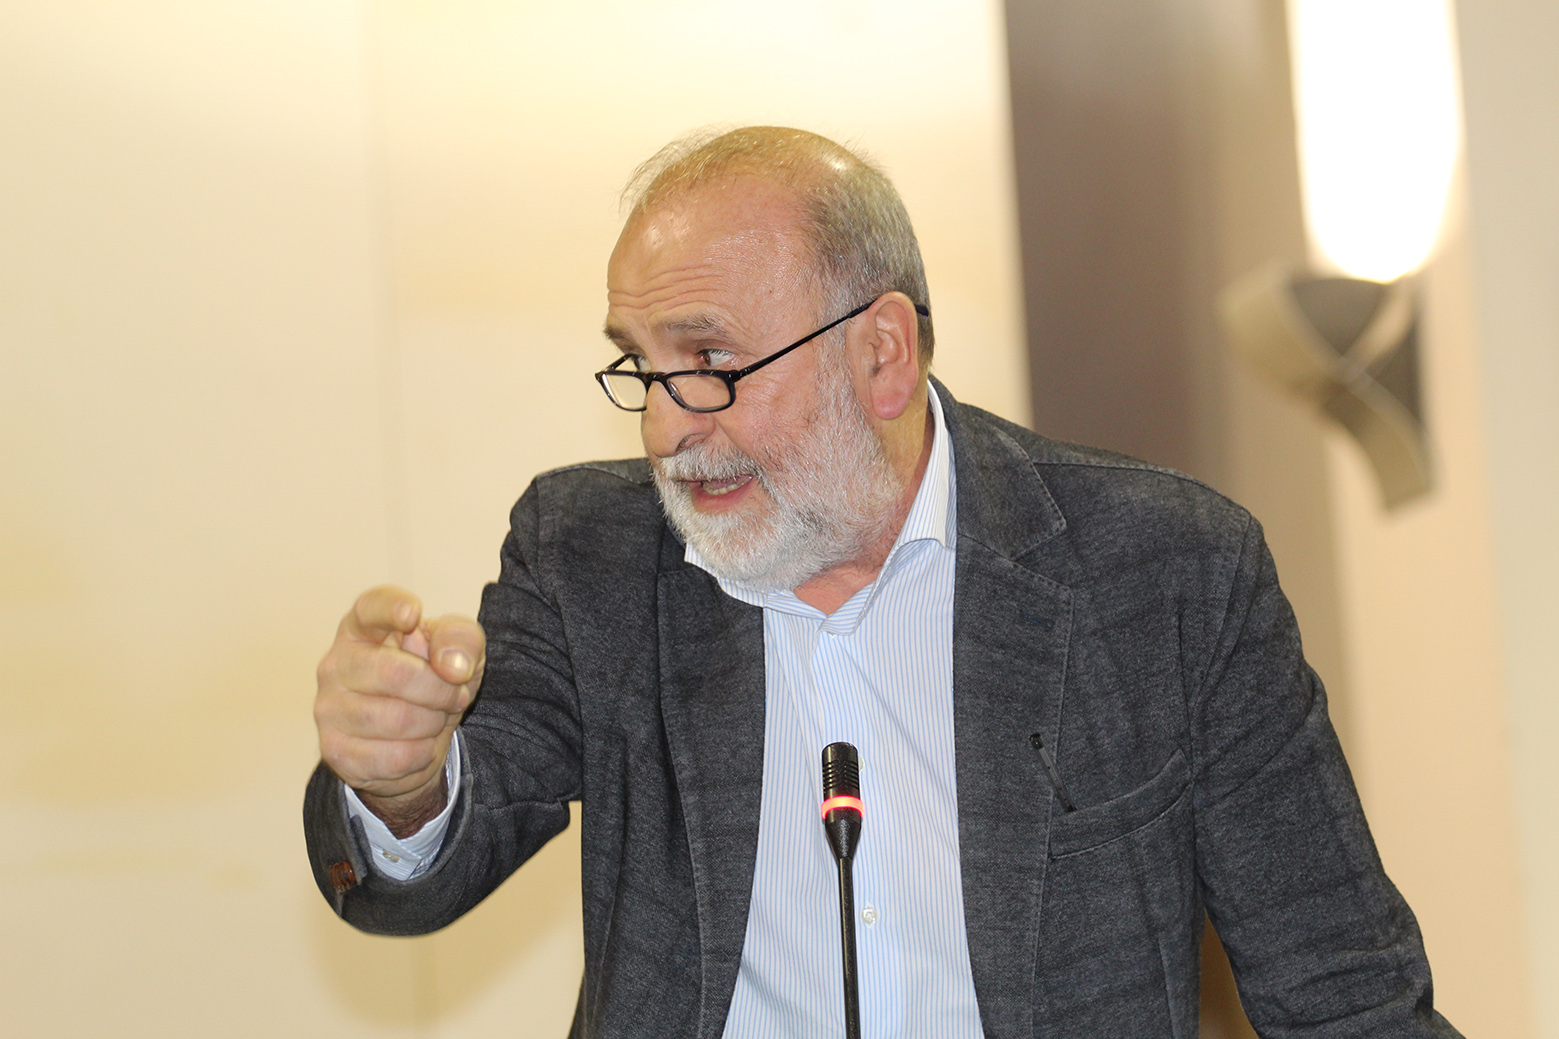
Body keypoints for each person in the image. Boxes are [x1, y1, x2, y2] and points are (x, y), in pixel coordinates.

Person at [305, 126, 1460, 1039]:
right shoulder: (589, 554)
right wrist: (402, 782)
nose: (663, 427)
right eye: (640, 366)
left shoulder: (1161, 573)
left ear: (881, 353)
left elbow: (1343, 992)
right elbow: (433, 857)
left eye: (708, 361)